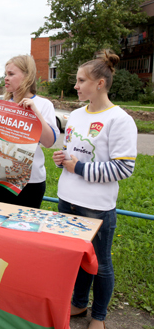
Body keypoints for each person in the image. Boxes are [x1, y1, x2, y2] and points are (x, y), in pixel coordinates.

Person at [52, 50, 137, 329]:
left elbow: (123, 168)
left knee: (100, 265)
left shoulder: (120, 120)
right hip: (67, 200)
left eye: (81, 80)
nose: (75, 85)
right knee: (77, 259)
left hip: (97, 206)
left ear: (100, 83)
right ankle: (79, 303)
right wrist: (62, 158)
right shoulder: (76, 114)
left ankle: (98, 316)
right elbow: (73, 151)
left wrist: (77, 168)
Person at [0, 54, 60, 208]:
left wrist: (35, 112)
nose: (6, 78)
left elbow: (49, 142)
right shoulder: (3, 106)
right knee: (2, 228)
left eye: (11, 74)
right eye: (6, 74)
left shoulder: (43, 105)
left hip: (31, 182)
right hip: (3, 179)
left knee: (25, 229)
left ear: (27, 77)